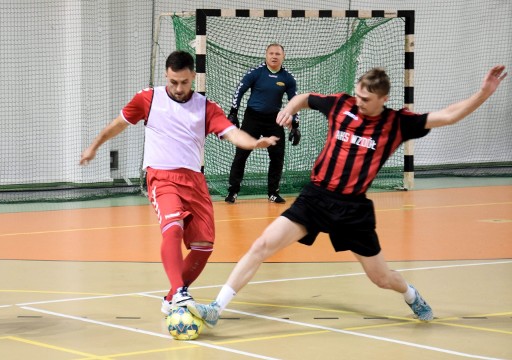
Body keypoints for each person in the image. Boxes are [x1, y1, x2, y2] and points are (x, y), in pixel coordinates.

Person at [189, 65, 508, 327]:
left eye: (366, 99)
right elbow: (304, 97)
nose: (358, 102)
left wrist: (483, 93)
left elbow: (448, 115)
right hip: (314, 197)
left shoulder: (396, 123)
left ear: (382, 98)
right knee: (262, 245)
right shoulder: (341, 104)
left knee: (381, 278)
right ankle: (217, 307)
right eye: (357, 94)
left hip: (352, 209)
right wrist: (288, 109)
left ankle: (411, 294)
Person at [80, 51, 279, 315]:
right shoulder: (148, 99)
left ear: (193, 78)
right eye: (173, 82)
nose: (178, 88)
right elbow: (118, 125)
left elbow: (231, 132)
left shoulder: (206, 107)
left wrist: (253, 143)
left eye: (184, 82)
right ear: (166, 75)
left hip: (194, 181)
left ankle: (172, 296)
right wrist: (94, 146)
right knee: (172, 228)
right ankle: (181, 293)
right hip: (162, 176)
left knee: (204, 246)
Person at [225, 43, 299, 205]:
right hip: (253, 118)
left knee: (277, 157)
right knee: (241, 154)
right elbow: (240, 89)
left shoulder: (288, 77)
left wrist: (295, 124)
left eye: (277, 54)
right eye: (271, 53)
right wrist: (233, 112)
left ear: (283, 57)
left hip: (275, 120)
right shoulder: (256, 73)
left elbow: (295, 101)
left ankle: (273, 193)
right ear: (266, 56)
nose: (274, 56)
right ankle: (233, 191)